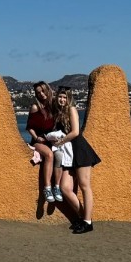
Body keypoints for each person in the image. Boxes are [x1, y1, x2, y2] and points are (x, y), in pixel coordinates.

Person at [50, 87, 100, 234]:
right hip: (68, 153)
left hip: (79, 150)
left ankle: (87, 222)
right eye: (60, 97)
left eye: (64, 97)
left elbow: (76, 132)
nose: (62, 100)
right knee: (65, 188)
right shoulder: (58, 113)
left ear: (69, 98)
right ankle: (83, 217)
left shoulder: (71, 109)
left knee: (84, 186)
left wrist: (60, 142)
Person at [25, 82, 64, 203]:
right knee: (49, 155)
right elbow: (29, 127)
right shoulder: (35, 107)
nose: (41, 94)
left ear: (48, 90)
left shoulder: (53, 105)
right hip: (39, 140)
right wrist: (36, 137)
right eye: (38, 92)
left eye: (43, 91)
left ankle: (56, 187)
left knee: (59, 155)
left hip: (50, 139)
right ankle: (47, 188)